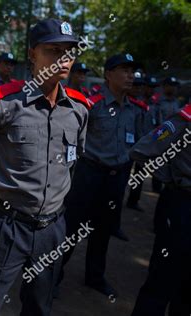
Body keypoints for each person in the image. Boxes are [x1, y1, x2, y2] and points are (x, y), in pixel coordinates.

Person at [0, 19, 89, 315]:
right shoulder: (5, 102)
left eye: (69, 51)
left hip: (53, 228)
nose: (63, 58)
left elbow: (76, 159)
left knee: (40, 304)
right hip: (8, 226)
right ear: (32, 54)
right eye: (53, 50)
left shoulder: (79, 109)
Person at [58, 53, 147, 298]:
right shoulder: (92, 104)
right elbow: (73, 139)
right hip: (89, 174)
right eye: (125, 70)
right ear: (108, 75)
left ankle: (94, 276)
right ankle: (54, 275)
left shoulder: (136, 109)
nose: (131, 76)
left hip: (116, 178)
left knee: (104, 229)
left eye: (132, 71)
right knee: (72, 228)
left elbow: (138, 143)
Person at [131, 104, 191, 316]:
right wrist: (172, 178)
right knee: (164, 277)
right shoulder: (186, 118)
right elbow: (143, 150)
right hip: (183, 207)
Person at [126, 70, 148, 212]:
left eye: (140, 86)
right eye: (135, 85)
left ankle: (133, 200)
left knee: (139, 176)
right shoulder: (123, 102)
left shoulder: (142, 105)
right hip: (125, 148)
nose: (138, 88)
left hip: (140, 147)